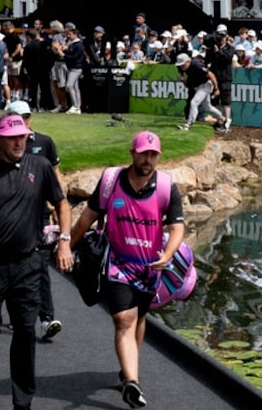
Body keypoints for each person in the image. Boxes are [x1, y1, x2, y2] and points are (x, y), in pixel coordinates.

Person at [59, 131, 185, 409]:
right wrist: (66, 246)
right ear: (132, 153)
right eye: (143, 154)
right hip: (117, 264)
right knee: (123, 319)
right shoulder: (111, 182)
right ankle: (131, 382)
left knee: (139, 318)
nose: (148, 160)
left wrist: (167, 254)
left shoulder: (166, 187)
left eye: (153, 155)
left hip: (150, 268)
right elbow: (88, 217)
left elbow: (177, 227)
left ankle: (128, 370)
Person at [0, 113, 71, 409]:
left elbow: (61, 202)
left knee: (25, 333)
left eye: (23, 137)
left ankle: (22, 402)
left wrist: (64, 240)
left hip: (27, 264)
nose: (19, 142)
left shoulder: (40, 166)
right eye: (12, 138)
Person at [2, 100, 63, 340]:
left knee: (40, 266)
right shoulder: (5, 143)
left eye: (27, 116)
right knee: (13, 265)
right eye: (19, 117)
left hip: (40, 214)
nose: (24, 121)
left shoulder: (45, 142)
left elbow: (55, 175)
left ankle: (46, 318)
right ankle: (18, 313)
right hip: (14, 216)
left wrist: (58, 204)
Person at [175, 53, 226, 133]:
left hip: (206, 85)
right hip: (197, 86)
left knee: (193, 103)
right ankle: (223, 119)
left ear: (188, 61)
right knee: (207, 107)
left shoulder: (197, 65)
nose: (181, 67)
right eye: (180, 65)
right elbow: (187, 84)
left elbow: (211, 75)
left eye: (183, 64)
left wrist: (216, 89)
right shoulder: (181, 68)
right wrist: (183, 80)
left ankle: (188, 125)